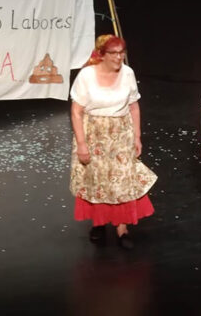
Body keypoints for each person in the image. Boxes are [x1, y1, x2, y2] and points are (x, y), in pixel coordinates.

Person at [69, 35, 156, 250]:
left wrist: (137, 136)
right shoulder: (87, 75)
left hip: (120, 133)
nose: (119, 57)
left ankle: (122, 228)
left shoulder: (127, 73)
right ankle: (98, 224)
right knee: (96, 180)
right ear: (102, 54)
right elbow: (76, 112)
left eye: (121, 52)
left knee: (122, 180)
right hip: (94, 133)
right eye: (114, 53)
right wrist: (81, 143)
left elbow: (134, 106)